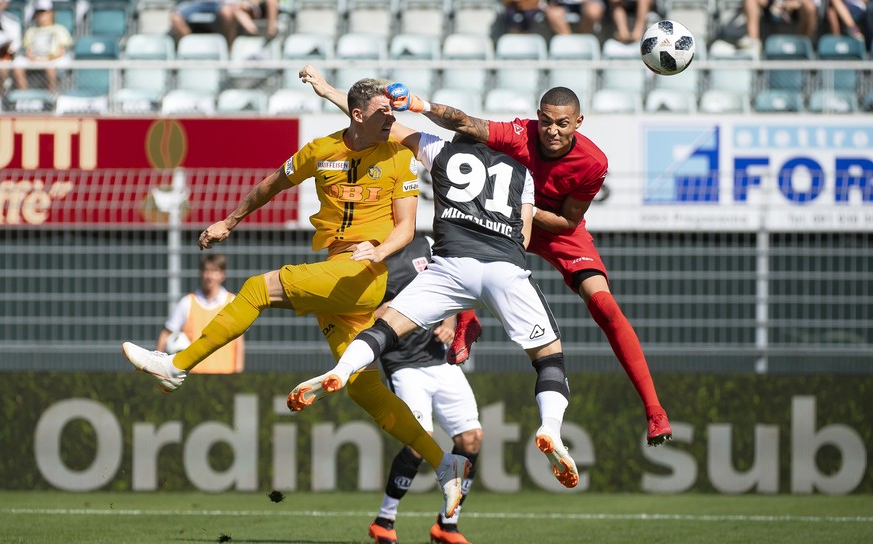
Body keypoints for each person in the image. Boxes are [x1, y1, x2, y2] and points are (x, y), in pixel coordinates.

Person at [121, 76, 469, 517]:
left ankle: (175, 366)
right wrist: (230, 222)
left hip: (363, 274)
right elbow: (271, 185)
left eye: (392, 113)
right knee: (364, 389)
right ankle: (445, 466)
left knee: (255, 289)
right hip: (337, 277)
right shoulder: (321, 152)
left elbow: (405, 228)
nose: (392, 120)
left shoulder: (399, 155)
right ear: (356, 115)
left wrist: (376, 250)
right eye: (382, 113)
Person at [295, 67, 581, 492]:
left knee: (385, 327)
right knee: (549, 358)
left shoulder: (441, 151)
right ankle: (552, 428)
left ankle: (340, 368)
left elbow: (385, 124)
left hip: (450, 264)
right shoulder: (523, 176)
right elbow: (523, 235)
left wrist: (329, 91)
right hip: (503, 266)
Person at [375, 78, 673, 447]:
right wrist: (422, 106)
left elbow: (568, 221)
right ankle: (468, 321)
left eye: (562, 124)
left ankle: (654, 410)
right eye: (546, 121)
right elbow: (466, 123)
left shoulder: (594, 162)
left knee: (605, 306)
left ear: (578, 122)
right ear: (537, 117)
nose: (552, 130)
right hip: (502, 226)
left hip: (556, 230)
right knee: (462, 259)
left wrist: (522, 207)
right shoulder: (519, 133)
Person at [368, 234, 483, 544]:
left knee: (471, 440)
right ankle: (384, 520)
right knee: (421, 441)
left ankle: (447, 525)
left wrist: (449, 320)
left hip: (440, 361)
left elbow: (451, 288)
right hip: (404, 365)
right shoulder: (370, 255)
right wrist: (390, 309)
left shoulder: (427, 244)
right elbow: (358, 317)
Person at [157, 253, 244, 374]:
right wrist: (159, 369)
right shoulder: (187, 302)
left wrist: (238, 373)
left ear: (222, 274)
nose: (210, 276)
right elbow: (166, 334)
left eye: (215, 271)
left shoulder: (231, 302)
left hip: (225, 375)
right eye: (206, 270)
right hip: (193, 376)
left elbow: (238, 342)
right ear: (201, 273)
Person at [12, 0, 72, 93]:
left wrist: (48, 59)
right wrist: (35, 59)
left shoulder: (60, 29)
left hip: (53, 60)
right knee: (17, 64)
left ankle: (51, 96)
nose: (41, 16)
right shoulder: (31, 31)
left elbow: (61, 51)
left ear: (51, 13)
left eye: (44, 12)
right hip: (35, 59)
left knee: (50, 68)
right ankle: (24, 96)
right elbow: (28, 51)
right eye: (38, 12)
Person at [738, 0, 818, 51]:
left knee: (809, 7)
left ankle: (804, 44)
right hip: (775, 3)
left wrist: (794, 3)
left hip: (798, 4)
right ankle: (754, 42)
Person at [0, 0, 23, 92]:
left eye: (2, 2)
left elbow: (15, 45)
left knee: (19, 67)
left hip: (8, 55)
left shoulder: (13, 21)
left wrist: (7, 55)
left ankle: (24, 102)